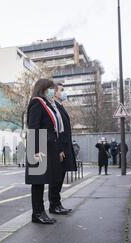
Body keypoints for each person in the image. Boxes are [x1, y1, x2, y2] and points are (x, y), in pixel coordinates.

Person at [26, 79, 64, 225]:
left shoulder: (45, 103)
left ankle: (41, 212)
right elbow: (33, 126)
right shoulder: (37, 102)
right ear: (43, 89)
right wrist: (35, 149)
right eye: (49, 89)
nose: (50, 92)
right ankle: (37, 213)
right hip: (38, 146)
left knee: (42, 181)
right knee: (38, 182)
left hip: (45, 144)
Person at [49, 83, 77, 215]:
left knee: (60, 177)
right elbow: (57, 131)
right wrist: (60, 149)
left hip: (65, 146)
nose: (64, 92)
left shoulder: (60, 107)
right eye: (61, 90)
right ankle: (54, 205)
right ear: (55, 93)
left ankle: (57, 204)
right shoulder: (54, 108)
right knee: (56, 178)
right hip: (60, 148)